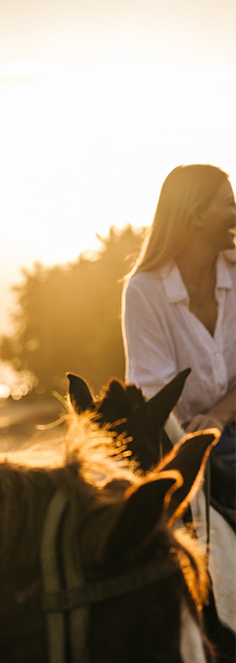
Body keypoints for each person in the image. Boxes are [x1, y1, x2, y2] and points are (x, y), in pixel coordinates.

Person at [122, 164, 236, 469]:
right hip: (182, 441)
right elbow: (156, 400)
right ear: (196, 215)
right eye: (229, 205)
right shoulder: (145, 291)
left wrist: (219, 416)